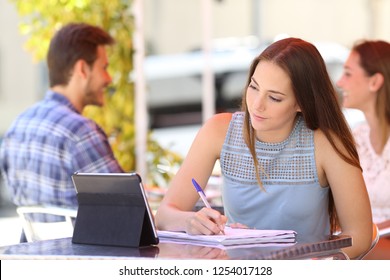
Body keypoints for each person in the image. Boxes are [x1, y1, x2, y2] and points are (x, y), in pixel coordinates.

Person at [155, 37, 373, 259]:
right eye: (254, 87)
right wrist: (190, 221)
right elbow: (164, 214)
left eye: (274, 98)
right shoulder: (217, 132)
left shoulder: (326, 143)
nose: (257, 105)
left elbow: (361, 235)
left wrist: (317, 266)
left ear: (301, 103)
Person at [0, 23, 123, 223]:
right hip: (80, 253)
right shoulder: (81, 132)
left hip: (32, 252)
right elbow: (129, 212)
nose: (109, 79)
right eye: (104, 68)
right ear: (82, 68)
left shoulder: (17, 127)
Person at [337, 39, 390, 259]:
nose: (340, 82)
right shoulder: (356, 138)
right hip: (366, 245)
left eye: (348, 73)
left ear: (375, 81)